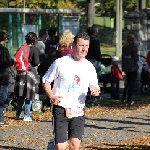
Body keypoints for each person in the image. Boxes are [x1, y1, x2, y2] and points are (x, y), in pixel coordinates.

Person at [42, 32, 100, 150]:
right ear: (73, 46)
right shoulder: (60, 63)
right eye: (81, 45)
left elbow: (95, 86)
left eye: (87, 46)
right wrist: (51, 96)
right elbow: (45, 81)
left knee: (74, 146)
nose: (84, 49)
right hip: (61, 109)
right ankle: (52, 146)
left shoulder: (89, 66)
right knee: (60, 147)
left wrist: (95, 90)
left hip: (78, 111)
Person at [15, 32, 40, 121]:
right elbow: (36, 62)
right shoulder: (34, 49)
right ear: (35, 40)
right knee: (29, 94)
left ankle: (17, 115)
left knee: (21, 95)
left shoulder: (22, 47)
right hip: (30, 73)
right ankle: (27, 115)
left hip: (20, 73)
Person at [0, 29, 14, 126]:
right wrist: (12, 61)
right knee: (2, 97)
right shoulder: (4, 50)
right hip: (2, 76)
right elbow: (6, 62)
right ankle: (0, 118)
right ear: (5, 38)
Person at [122, 32, 139, 105]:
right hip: (133, 67)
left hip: (126, 67)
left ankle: (123, 98)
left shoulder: (124, 47)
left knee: (128, 83)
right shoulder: (134, 47)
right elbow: (136, 58)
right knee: (132, 84)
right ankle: (129, 99)